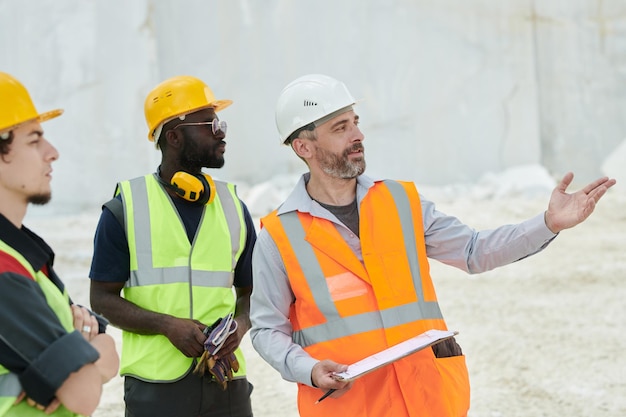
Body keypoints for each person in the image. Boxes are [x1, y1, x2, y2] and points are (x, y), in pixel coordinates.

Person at [249, 74, 617, 417]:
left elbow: (474, 251)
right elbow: (267, 330)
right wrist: (308, 370)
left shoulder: (400, 203)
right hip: (352, 406)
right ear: (304, 146)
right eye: (341, 128)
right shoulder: (279, 236)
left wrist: (548, 223)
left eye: (356, 122)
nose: (357, 135)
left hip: (427, 399)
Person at [89, 75, 256, 417]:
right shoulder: (126, 208)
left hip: (226, 385)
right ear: (174, 136)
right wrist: (167, 325)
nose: (221, 131)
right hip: (155, 389)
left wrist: (238, 327)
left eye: (220, 122)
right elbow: (101, 298)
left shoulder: (233, 207)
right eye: (210, 123)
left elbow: (253, 293)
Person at [0, 72, 119, 417]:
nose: (52, 153)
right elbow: (83, 392)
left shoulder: (21, 254)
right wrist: (87, 352)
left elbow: (108, 351)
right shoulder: (5, 269)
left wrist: (86, 354)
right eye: (35, 140)